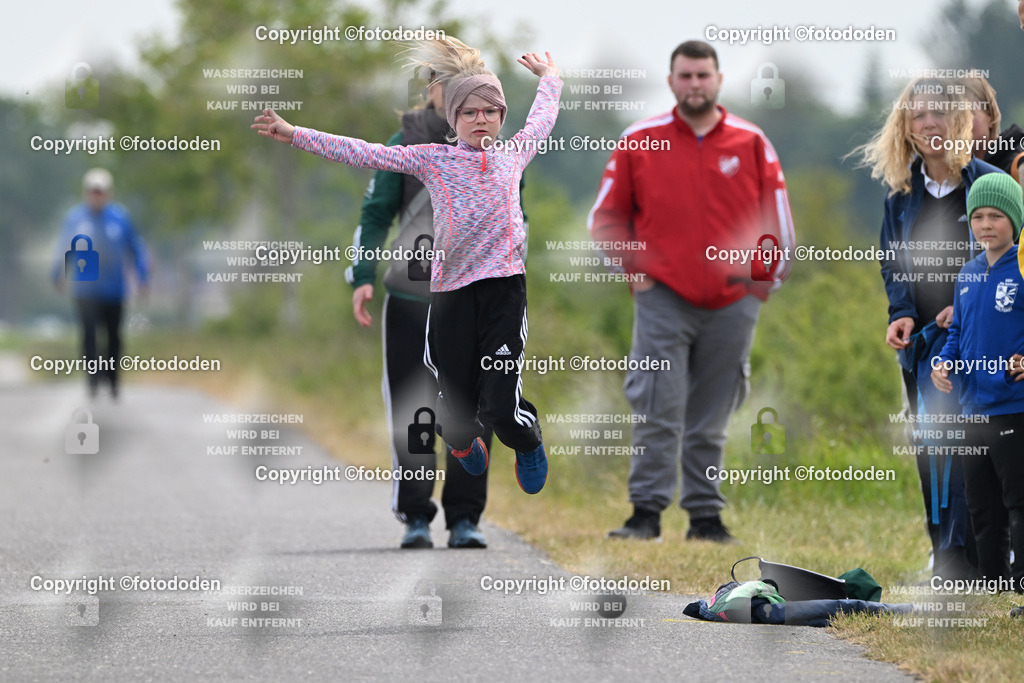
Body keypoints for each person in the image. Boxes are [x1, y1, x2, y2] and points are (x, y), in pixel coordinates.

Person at [253, 38, 560, 495]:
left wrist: (550, 77)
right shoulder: (431, 160)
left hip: (502, 292)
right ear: (453, 119)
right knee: (452, 415)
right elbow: (363, 152)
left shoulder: (513, 155)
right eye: (470, 113)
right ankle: (460, 441)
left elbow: (543, 116)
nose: (481, 120)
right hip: (451, 293)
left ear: (500, 117)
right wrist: (295, 133)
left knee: (499, 410)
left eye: (490, 112)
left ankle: (528, 438)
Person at [589, 40, 794, 542]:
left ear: (718, 80)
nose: (694, 84)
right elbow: (605, 220)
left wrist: (759, 287)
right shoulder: (640, 139)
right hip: (663, 295)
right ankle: (645, 513)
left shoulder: (751, 142)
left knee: (712, 413)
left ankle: (705, 516)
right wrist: (633, 269)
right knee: (657, 404)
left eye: (703, 75)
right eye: (685, 76)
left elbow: (778, 224)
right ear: (671, 81)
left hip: (733, 300)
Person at [857, 77, 1003, 581]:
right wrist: (900, 312)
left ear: (958, 119)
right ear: (906, 126)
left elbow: (1004, 255)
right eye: (918, 115)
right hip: (919, 346)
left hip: (974, 340)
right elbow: (892, 264)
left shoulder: (983, 184)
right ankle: (943, 552)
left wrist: (963, 305)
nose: (929, 123)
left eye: (939, 113)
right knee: (930, 448)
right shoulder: (898, 197)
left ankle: (969, 559)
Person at [349, 66, 494, 549]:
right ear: (431, 91)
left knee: (470, 410)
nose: (461, 98)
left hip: (472, 297)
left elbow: (515, 220)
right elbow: (375, 214)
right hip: (412, 297)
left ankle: (465, 519)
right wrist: (363, 276)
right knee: (416, 412)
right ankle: (415, 514)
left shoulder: (491, 143)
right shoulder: (405, 140)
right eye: (445, 83)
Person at [932, 172, 1024, 593]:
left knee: (1017, 503)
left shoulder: (1021, 269)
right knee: (981, 508)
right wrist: (942, 364)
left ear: (1016, 220)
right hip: (971, 410)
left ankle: (1021, 585)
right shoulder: (966, 274)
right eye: (978, 217)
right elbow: (956, 334)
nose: (986, 225)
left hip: (1012, 406)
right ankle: (993, 587)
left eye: (996, 216)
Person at [51, 168, 150, 399]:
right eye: (93, 192)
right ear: (86, 193)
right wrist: (57, 273)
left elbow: (135, 249)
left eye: (101, 192)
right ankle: (93, 380)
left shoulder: (120, 219)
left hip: (114, 290)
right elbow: (64, 248)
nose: (97, 196)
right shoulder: (75, 219)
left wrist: (141, 278)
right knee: (89, 336)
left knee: (114, 337)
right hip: (85, 290)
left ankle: (113, 379)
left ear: (108, 193)